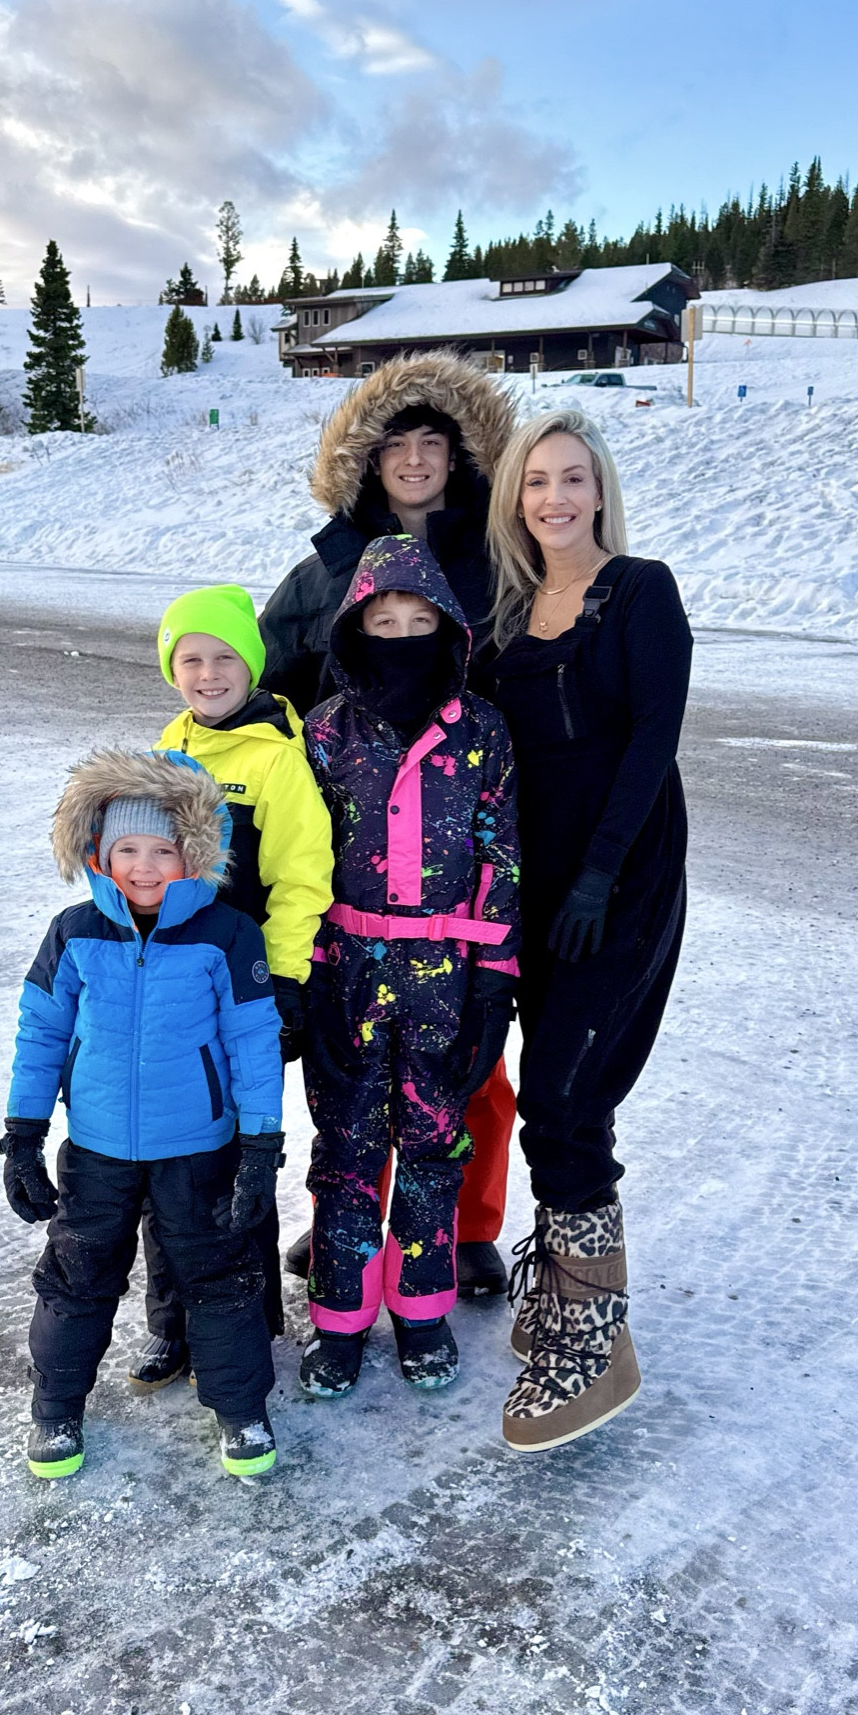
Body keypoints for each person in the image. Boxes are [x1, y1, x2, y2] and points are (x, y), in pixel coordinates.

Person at [259, 352, 519, 1296]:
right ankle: (350, 1222)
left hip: (462, 860)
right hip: (354, 866)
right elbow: (263, 688)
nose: (414, 460)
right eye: (396, 444)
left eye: (433, 443)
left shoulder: (501, 558)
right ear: (366, 462)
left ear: (460, 457)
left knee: (468, 1067)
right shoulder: (326, 568)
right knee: (353, 1069)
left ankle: (467, 1225)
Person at [484, 408, 691, 1454]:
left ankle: (598, 1333)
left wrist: (603, 871)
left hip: (621, 876)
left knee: (571, 1087)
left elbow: (656, 733)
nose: (555, 497)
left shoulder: (639, 591)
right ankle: (565, 1283)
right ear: (515, 499)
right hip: (532, 886)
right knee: (542, 1090)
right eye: (536, 482)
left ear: (599, 488)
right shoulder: (511, 613)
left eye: (572, 477)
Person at [0, 748, 286, 1481]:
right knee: (76, 1274)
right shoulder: (73, 933)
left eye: (163, 850)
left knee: (219, 1276)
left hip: (198, 1147)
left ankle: (240, 1410)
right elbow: (41, 1035)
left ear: (194, 854)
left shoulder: (227, 934)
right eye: (127, 849)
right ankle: (56, 1409)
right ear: (98, 851)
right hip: (95, 1148)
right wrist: (23, 1138)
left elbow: (252, 1044)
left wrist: (259, 1147)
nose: (145, 867)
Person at [296, 534, 519, 1400]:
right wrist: (309, 977)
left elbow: (501, 858)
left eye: (416, 621)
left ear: (448, 629)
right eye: (381, 622)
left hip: (446, 977)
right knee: (346, 1147)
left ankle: (421, 1311)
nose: (399, 636)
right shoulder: (324, 734)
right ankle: (341, 1318)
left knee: (432, 1145)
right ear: (355, 629)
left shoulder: (483, 735)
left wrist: (493, 986)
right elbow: (305, 860)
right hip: (348, 969)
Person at [129, 585, 334, 1394]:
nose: (208, 673)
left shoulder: (277, 760)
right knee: (162, 1153)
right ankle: (171, 1323)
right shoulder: (165, 750)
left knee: (237, 1156)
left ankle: (244, 1319)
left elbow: (301, 879)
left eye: (224, 658)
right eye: (190, 660)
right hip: (168, 992)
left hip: (242, 995)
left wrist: (281, 982)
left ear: (251, 663)